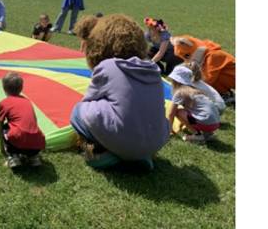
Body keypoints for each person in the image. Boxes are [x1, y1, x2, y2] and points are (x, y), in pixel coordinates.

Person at [69, 14, 169, 169]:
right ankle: (138, 155)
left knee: (79, 111)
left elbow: (89, 101)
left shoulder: (108, 66)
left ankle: (106, 154)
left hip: (123, 138)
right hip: (155, 142)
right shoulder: (153, 69)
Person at [0, 72, 46, 169]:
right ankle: (33, 157)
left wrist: (2, 149)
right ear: (21, 88)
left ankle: (13, 157)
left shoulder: (4, 103)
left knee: (5, 127)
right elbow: (34, 122)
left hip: (17, 142)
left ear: (4, 88)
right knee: (25, 129)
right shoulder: (27, 101)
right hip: (37, 142)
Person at [167, 65, 221, 143]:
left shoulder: (180, 92)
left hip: (206, 123)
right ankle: (208, 134)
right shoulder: (194, 90)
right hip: (215, 123)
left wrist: (169, 130)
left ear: (175, 80)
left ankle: (198, 135)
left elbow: (171, 113)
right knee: (185, 111)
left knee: (178, 112)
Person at [171, 34, 236, 97]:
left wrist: (192, 88)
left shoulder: (214, 55)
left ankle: (223, 94)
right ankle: (223, 93)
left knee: (213, 77)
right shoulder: (204, 56)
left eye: (187, 56)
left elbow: (209, 79)